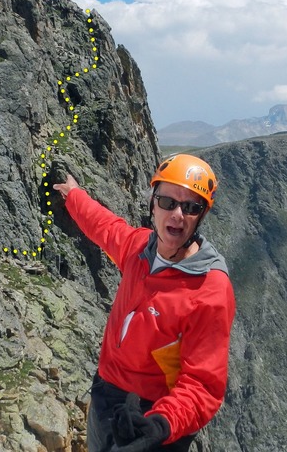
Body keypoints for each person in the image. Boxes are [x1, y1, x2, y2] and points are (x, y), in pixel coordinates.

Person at [53, 155, 235, 452]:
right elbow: (106, 228)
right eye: (167, 202)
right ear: (153, 203)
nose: (177, 214)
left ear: (201, 216)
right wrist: (75, 195)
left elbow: (203, 385)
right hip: (104, 398)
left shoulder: (210, 289)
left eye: (190, 207)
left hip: (149, 423)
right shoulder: (141, 247)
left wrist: (160, 423)